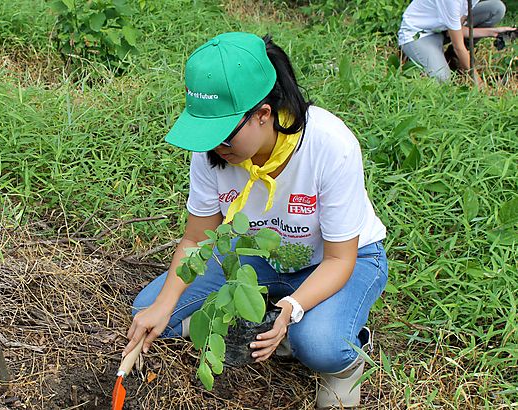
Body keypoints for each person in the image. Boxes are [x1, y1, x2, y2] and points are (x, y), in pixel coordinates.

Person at [122, 32, 388, 408]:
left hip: (340, 261)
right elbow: (198, 238)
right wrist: (165, 302)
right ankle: (265, 312)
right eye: (207, 135)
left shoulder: (329, 144)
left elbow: (339, 259)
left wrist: (293, 308)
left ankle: (339, 361)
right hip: (257, 253)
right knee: (149, 311)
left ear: (263, 114)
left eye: (224, 137)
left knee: (318, 344)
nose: (215, 148)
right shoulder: (213, 151)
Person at [398, 0, 515, 84]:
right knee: (442, 80)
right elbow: (458, 47)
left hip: (443, 29)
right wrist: (479, 84)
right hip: (419, 34)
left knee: (496, 7)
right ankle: (416, 55)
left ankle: (453, 59)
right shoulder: (451, 1)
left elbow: (455, 30)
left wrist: (494, 32)